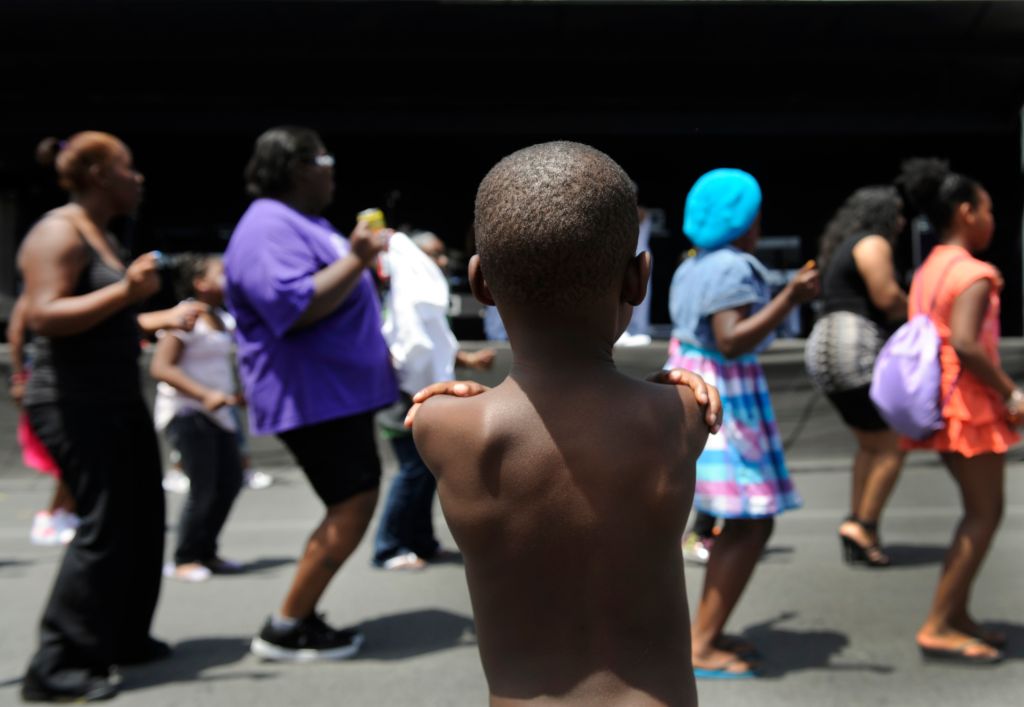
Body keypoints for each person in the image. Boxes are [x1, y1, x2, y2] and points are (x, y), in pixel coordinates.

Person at [412, 141, 711, 706]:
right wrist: (670, 383)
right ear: (639, 279)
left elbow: (456, 416)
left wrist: (467, 400)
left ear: (480, 284)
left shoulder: (442, 426)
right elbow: (663, 405)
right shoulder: (681, 416)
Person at [17, 131, 204, 702]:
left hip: (112, 396)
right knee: (103, 523)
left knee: (142, 516)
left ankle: (120, 637)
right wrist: (127, 291)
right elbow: (44, 315)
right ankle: (57, 664)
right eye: (128, 168)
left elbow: (107, 320)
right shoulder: (58, 230)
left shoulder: (99, 234)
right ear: (99, 173)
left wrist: (155, 315)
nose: (138, 178)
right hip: (74, 400)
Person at [224, 126, 398, 661]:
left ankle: (295, 616)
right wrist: (357, 258)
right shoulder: (267, 226)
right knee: (353, 501)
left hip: (336, 393)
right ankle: (286, 625)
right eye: (326, 159)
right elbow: (293, 306)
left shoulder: (304, 223)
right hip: (313, 395)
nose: (332, 170)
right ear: (299, 167)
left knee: (353, 498)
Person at [666, 168, 819, 678]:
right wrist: (789, 299)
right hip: (725, 397)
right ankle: (702, 642)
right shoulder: (733, 267)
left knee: (741, 519)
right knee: (750, 520)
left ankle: (708, 628)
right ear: (741, 219)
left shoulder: (692, 265)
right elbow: (731, 339)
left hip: (697, 383)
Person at [896, 158, 1019, 664]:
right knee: (984, 514)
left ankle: (958, 615)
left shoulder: (930, 269)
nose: (993, 218)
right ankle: (940, 623)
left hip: (939, 403)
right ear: (966, 211)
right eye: (988, 208)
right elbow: (967, 345)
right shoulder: (973, 272)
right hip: (968, 404)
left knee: (979, 512)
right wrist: (1010, 392)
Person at [374, 230, 495, 570]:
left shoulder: (425, 298)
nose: (441, 261)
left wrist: (468, 362)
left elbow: (435, 349)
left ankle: (420, 542)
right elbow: (409, 351)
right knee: (412, 472)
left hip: (424, 397)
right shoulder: (403, 299)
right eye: (433, 254)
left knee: (426, 473)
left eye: (443, 254)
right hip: (404, 401)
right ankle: (389, 546)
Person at [805, 186, 908, 567]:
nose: (902, 221)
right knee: (892, 446)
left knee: (871, 443)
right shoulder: (872, 242)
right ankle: (864, 525)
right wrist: (926, 315)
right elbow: (887, 297)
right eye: (897, 213)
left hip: (827, 345)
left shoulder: (844, 244)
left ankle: (857, 521)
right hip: (852, 347)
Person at [151, 254, 244, 583]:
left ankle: (207, 551)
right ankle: (184, 557)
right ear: (199, 282)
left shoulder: (222, 318)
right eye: (222, 271)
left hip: (218, 416)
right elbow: (161, 367)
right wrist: (205, 394)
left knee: (229, 483)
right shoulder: (185, 316)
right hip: (188, 413)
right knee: (202, 487)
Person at [7, 294, 80, 546]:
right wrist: (18, 379)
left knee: (77, 458)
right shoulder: (34, 297)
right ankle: (53, 516)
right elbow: (15, 333)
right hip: (48, 388)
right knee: (69, 457)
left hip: (73, 386)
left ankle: (65, 513)